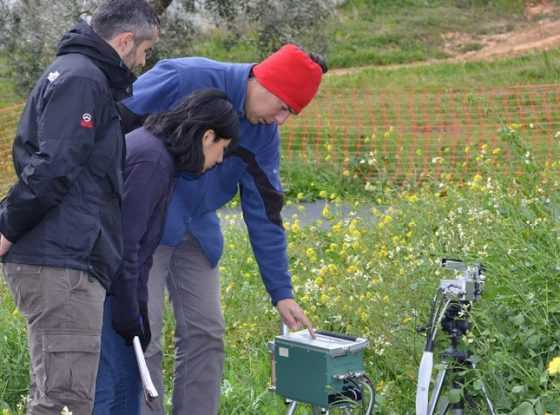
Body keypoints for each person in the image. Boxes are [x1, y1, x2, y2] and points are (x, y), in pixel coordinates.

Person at [119, 44, 327, 415]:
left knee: (206, 332)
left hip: (196, 233)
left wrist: (282, 292)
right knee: (142, 336)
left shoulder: (262, 136)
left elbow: (266, 212)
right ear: (264, 82)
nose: (281, 121)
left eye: (291, 114)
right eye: (283, 108)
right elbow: (111, 123)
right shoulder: (184, 78)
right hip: (140, 231)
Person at [0, 1, 159, 413]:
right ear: (125, 41)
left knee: (59, 396)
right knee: (64, 401)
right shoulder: (82, 80)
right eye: (144, 52)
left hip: (67, 253)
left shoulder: (80, 76)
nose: (143, 62)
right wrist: (5, 227)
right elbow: (54, 166)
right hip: (62, 259)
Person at [93, 88, 240, 415]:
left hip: (102, 272)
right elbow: (126, 243)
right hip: (88, 271)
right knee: (115, 387)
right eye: (221, 149)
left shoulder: (161, 157)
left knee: (121, 380)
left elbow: (140, 248)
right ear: (207, 136)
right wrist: (129, 312)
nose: (218, 160)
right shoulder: (152, 161)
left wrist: (138, 307)